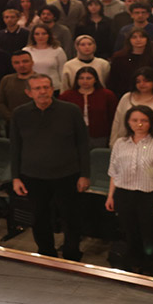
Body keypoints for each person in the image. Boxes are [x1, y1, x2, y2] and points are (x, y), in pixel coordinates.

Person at [10, 74, 91, 261]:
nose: (42, 92)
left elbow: (83, 145)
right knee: (39, 218)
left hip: (68, 174)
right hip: (33, 176)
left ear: (52, 89)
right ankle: (46, 254)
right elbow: (15, 147)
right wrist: (15, 177)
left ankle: (72, 254)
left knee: (71, 218)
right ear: (29, 93)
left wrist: (84, 174)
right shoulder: (19, 114)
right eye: (37, 88)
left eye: (46, 87)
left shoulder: (71, 110)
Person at [105, 105, 153, 276]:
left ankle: (148, 270)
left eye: (144, 120)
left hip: (149, 196)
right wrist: (110, 196)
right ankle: (130, 266)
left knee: (149, 235)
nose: (139, 124)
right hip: (124, 194)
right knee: (128, 232)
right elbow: (113, 172)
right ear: (128, 122)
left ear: (151, 122)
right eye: (135, 120)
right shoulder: (120, 143)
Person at [110, 66, 153, 149]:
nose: (142, 84)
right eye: (138, 81)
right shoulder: (127, 97)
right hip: (127, 144)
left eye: (146, 81)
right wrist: (113, 144)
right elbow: (118, 122)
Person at [59, 66, 118, 148]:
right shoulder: (67, 95)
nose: (85, 81)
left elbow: (113, 116)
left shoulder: (107, 95)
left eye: (89, 78)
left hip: (100, 135)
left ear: (95, 79)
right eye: (81, 78)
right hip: (74, 134)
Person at [24, 24, 68, 91]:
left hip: (54, 87)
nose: (40, 36)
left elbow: (62, 72)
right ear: (33, 36)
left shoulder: (58, 50)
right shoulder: (26, 51)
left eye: (44, 34)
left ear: (49, 35)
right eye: (37, 34)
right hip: (33, 88)